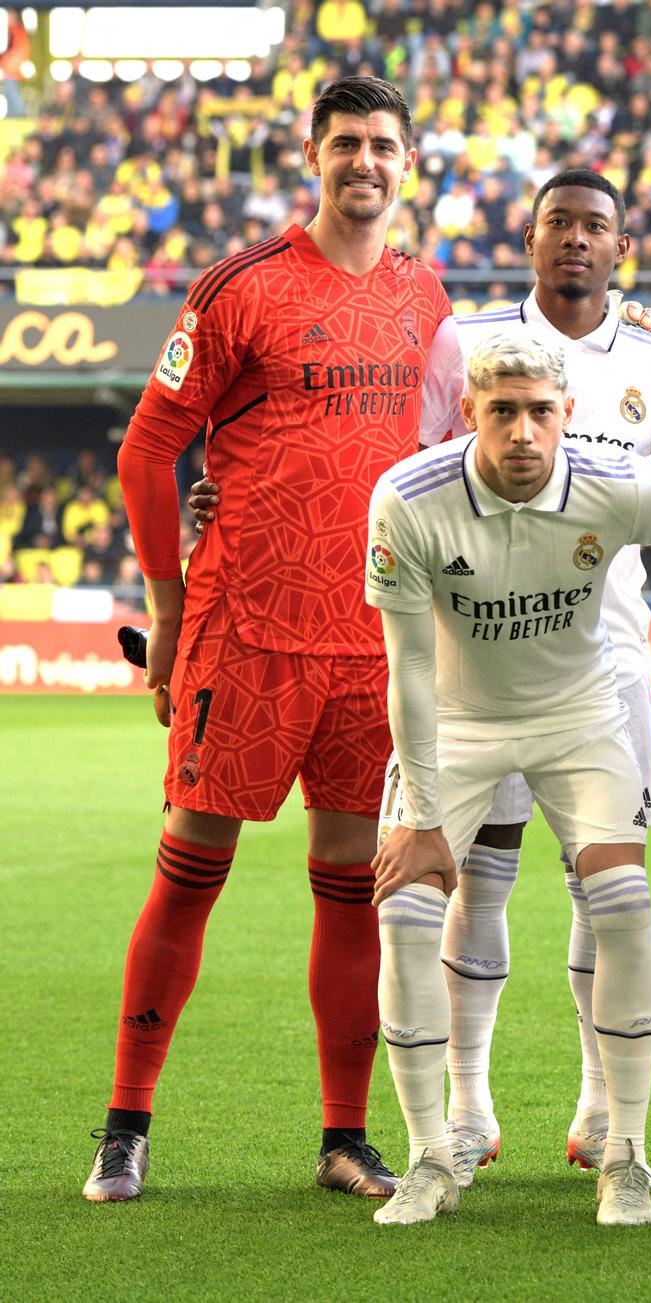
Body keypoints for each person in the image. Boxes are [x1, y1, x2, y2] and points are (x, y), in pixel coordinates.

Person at [87, 76, 454, 1204]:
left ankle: (344, 1137)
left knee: (352, 889)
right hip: (244, 630)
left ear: (407, 160)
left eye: (383, 144)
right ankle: (125, 1126)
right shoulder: (240, 287)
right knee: (189, 875)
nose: (365, 162)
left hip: (368, 640)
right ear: (312, 153)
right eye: (345, 142)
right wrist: (170, 600)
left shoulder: (426, 295)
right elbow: (149, 452)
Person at [363, 332, 651, 1227]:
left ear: (569, 415)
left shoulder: (611, 486)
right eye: (503, 412)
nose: (524, 432)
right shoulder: (410, 498)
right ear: (470, 414)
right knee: (407, 908)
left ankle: (627, 1155)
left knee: (621, 903)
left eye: (541, 412)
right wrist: (419, 815)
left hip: (579, 720)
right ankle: (429, 1157)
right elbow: (409, 672)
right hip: (456, 724)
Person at [393, 167, 651, 1181]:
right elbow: (423, 465)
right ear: (527, 239)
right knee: (474, 878)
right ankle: (471, 1105)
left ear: (622, 247)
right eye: (557, 223)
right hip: (476, 656)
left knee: (599, 882)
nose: (575, 239)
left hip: (605, 659)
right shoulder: (463, 341)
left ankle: (600, 1104)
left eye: (595, 226)